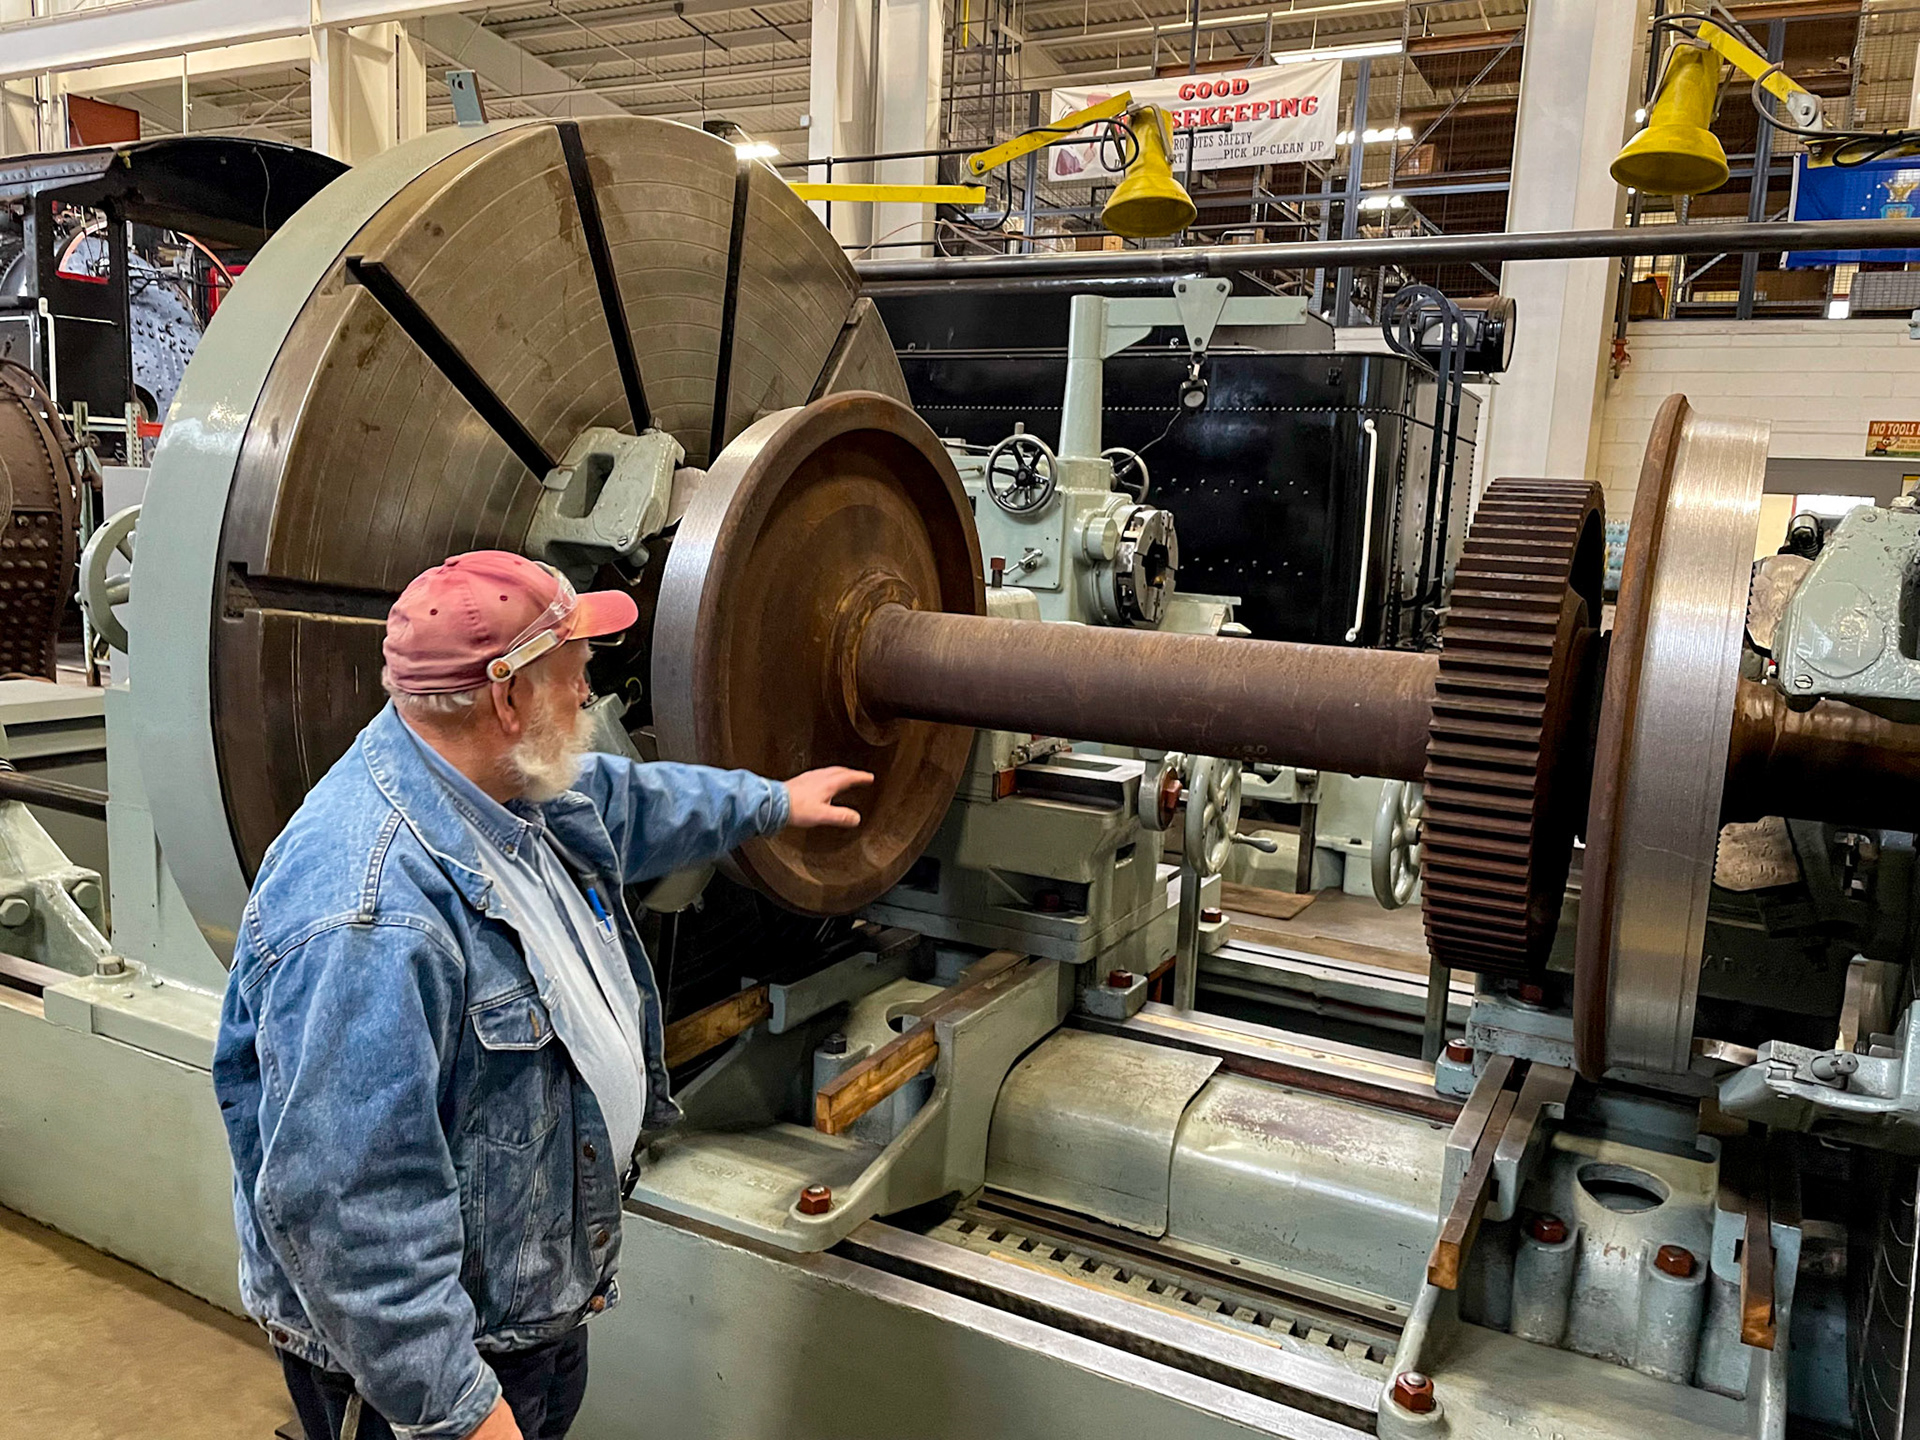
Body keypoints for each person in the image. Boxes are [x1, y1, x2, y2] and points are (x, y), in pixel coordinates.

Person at [212, 551, 871, 1440]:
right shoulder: (369, 916)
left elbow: (629, 801)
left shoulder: (508, 788)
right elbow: (349, 1208)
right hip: (440, 1370)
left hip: (533, 1315)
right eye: (574, 673)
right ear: (507, 699)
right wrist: (457, 1409)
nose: (591, 693)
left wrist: (769, 804)